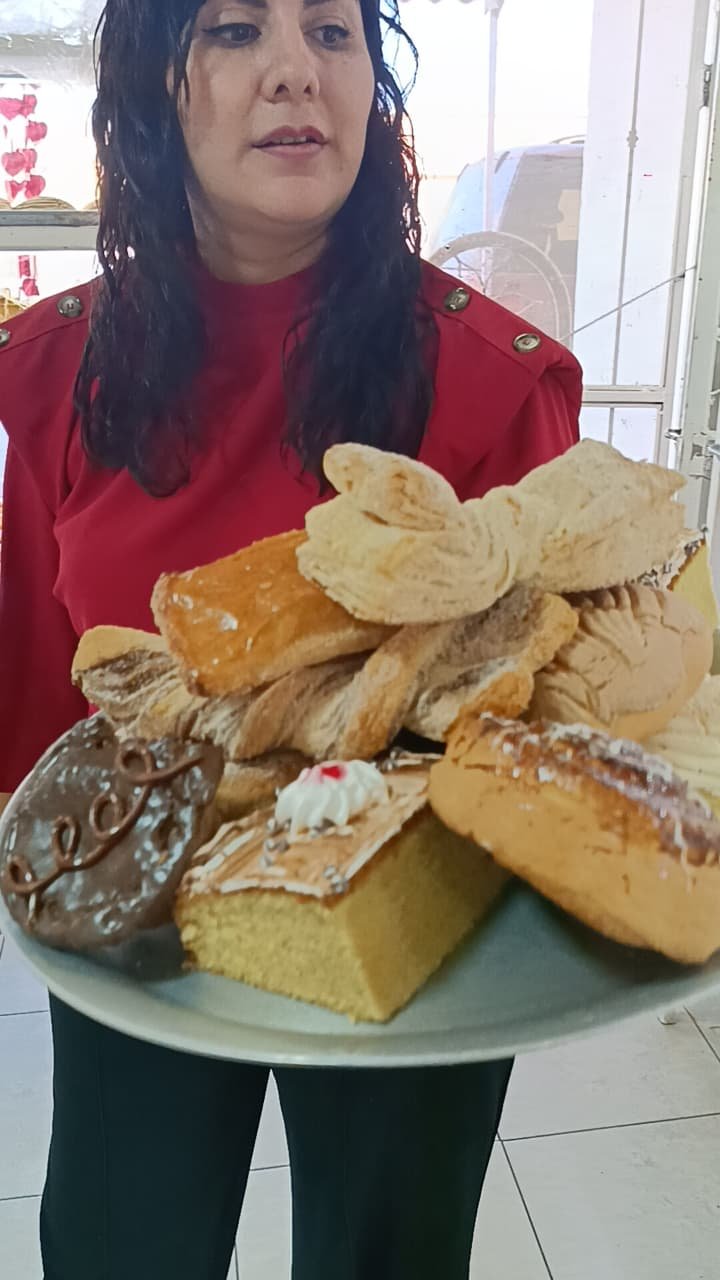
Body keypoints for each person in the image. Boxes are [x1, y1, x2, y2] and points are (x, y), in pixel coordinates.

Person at [0, 1, 582, 1276]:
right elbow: (42, 699)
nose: (293, 72)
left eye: (330, 30)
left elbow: (548, 727)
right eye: (232, 29)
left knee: (390, 1253)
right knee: (118, 1245)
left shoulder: (490, 379)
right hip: (138, 892)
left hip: (407, 905)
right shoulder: (57, 371)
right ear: (153, 85)